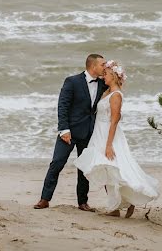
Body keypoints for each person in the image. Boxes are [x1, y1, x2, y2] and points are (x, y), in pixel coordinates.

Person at [74, 59, 159, 217]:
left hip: (109, 135)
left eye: (105, 74)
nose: (103, 77)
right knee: (108, 171)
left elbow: (114, 121)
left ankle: (125, 203)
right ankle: (116, 207)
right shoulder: (107, 92)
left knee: (118, 170)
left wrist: (108, 145)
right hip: (99, 134)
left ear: (113, 76)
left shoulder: (116, 96)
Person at [34, 53, 107, 211]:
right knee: (57, 163)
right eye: (103, 64)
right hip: (70, 131)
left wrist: (116, 72)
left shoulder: (102, 83)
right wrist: (64, 129)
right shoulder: (72, 81)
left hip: (89, 132)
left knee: (84, 168)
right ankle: (44, 199)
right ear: (93, 66)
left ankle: (83, 202)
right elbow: (63, 106)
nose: (105, 67)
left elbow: (116, 89)